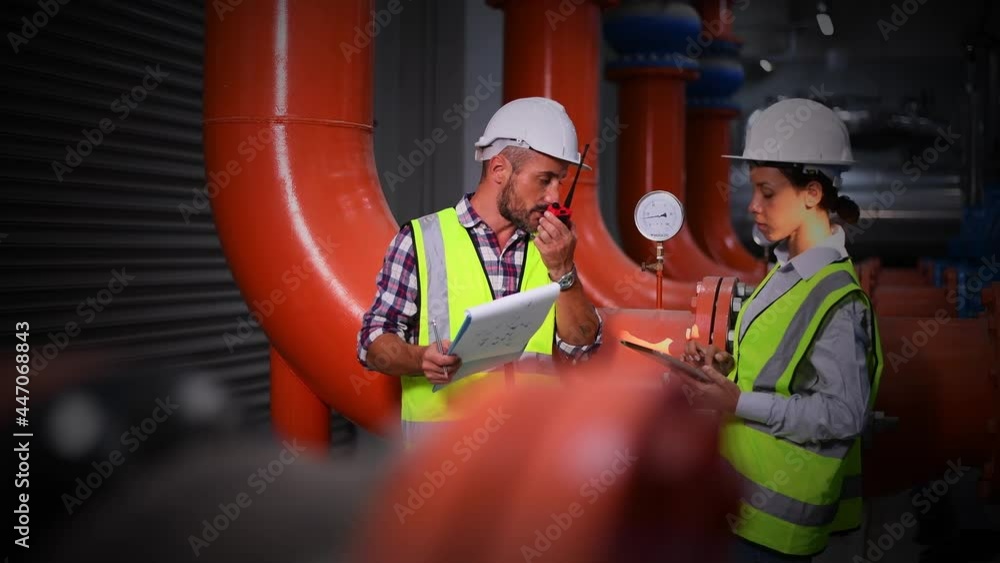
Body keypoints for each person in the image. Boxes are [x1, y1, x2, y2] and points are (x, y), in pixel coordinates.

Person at [678, 98, 884, 561]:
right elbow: (779, 368)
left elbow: (845, 415)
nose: (753, 206)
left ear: (812, 193)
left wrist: (738, 402)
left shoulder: (837, 297)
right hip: (743, 508)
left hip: (776, 528)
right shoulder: (789, 270)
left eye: (767, 192)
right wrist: (726, 369)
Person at [357, 97, 603, 445]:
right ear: (500, 170)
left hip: (531, 456)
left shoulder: (553, 247)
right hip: (442, 461)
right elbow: (372, 344)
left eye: (560, 181)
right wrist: (418, 357)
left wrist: (563, 270)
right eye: (545, 180)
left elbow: (584, 350)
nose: (555, 196)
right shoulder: (422, 240)